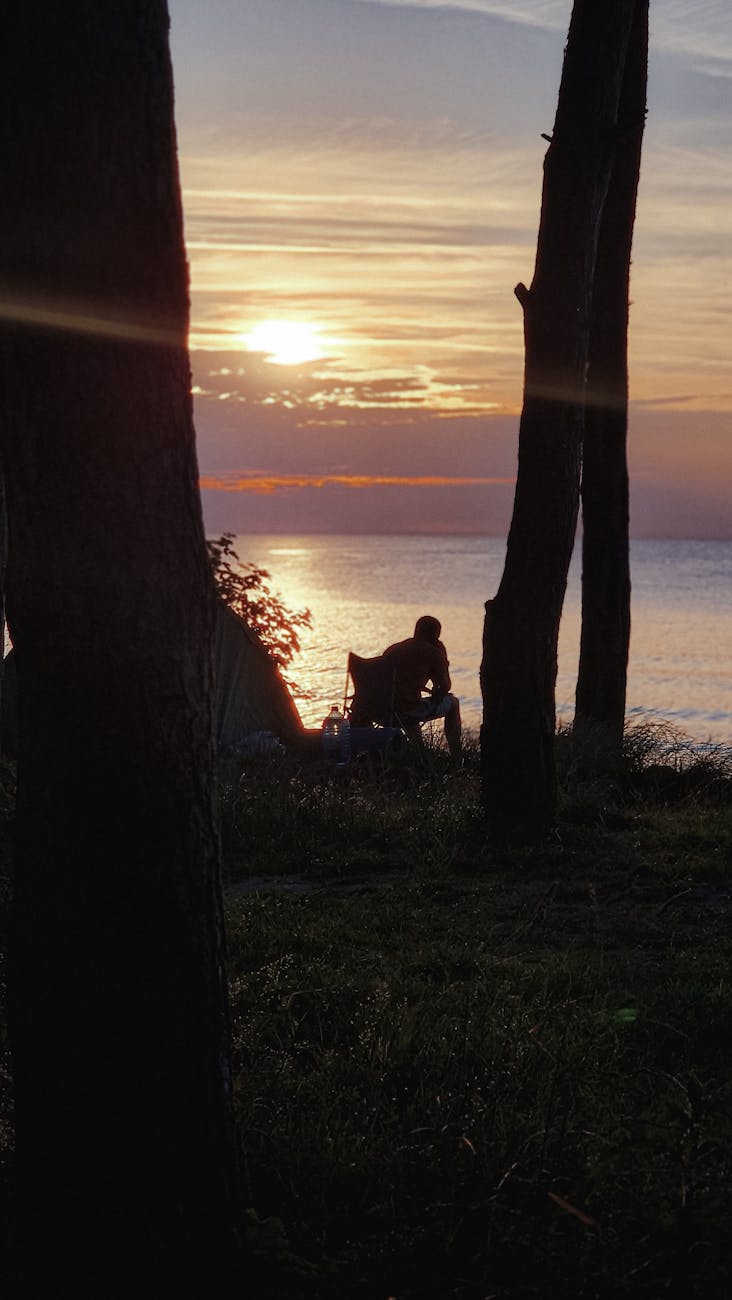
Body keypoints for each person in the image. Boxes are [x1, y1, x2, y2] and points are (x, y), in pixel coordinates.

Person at [382, 615, 461, 755]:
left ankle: (418, 752)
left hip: (381, 710)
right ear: (437, 634)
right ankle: (457, 755)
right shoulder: (433, 653)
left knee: (409, 699)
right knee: (453, 702)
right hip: (406, 712)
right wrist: (444, 660)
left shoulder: (393, 650)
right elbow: (444, 687)